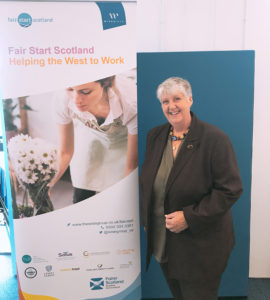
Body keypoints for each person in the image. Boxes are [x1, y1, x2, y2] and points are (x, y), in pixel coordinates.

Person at [140, 77, 243, 300]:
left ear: (190, 100)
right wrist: (148, 218)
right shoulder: (155, 136)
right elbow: (150, 183)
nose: (171, 106)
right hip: (164, 241)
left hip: (201, 245)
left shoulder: (214, 139)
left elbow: (230, 189)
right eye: (165, 101)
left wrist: (189, 217)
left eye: (177, 99)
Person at [50, 74, 138, 203]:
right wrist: (47, 185)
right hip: (90, 136)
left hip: (124, 143)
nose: (76, 100)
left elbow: (132, 165)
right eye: (70, 90)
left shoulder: (130, 102)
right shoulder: (62, 98)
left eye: (85, 92)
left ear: (105, 84)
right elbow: (65, 152)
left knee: (118, 199)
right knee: (82, 192)